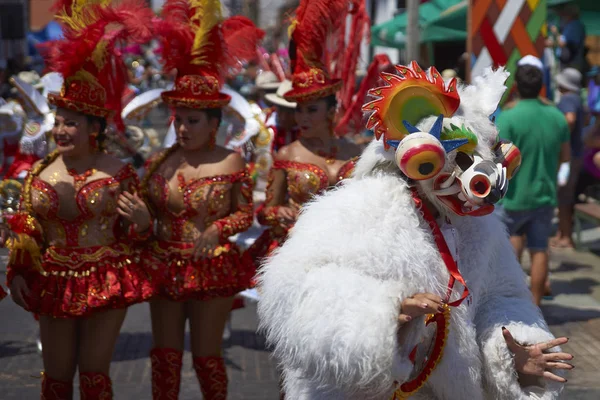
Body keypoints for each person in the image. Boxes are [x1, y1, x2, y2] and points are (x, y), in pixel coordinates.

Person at [258, 60, 573, 399]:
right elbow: (294, 287)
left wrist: (513, 354)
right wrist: (386, 313)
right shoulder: (357, 207)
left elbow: (501, 299)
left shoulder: (482, 227)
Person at [0, 1, 155, 398]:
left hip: (107, 274)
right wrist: (17, 268)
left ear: (93, 129)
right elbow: (28, 229)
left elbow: (137, 237)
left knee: (94, 373)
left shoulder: (118, 172)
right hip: (53, 276)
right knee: (55, 376)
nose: (61, 129)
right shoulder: (39, 171)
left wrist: (141, 221)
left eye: (72, 122)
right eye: (59, 120)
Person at [141, 1, 263, 398]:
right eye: (178, 118)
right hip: (164, 264)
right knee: (165, 356)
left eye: (193, 120)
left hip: (212, 269)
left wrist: (217, 227)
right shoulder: (161, 161)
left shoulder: (230, 161)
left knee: (207, 358)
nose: (182, 127)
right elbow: (140, 214)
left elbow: (246, 212)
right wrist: (140, 217)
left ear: (215, 122)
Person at [248, 0, 364, 263]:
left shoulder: (354, 151)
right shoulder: (287, 154)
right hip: (300, 253)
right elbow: (265, 212)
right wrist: (279, 214)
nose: (302, 117)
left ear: (330, 111)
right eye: (299, 110)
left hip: (348, 251)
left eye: (311, 110)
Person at [496, 59, 571, 306]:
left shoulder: (508, 117)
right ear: (541, 86)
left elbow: (498, 157)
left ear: (516, 85)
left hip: (514, 195)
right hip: (544, 193)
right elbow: (565, 157)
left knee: (512, 244)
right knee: (540, 249)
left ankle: (512, 302)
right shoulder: (556, 116)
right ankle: (536, 306)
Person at [553, 68, 584, 249]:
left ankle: (565, 237)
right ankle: (562, 234)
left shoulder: (568, 99)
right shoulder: (577, 99)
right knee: (565, 196)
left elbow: (569, 120)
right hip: (575, 155)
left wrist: (559, 138)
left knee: (563, 197)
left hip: (568, 157)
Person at [263, 80, 299, 152]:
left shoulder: (310, 134)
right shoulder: (268, 133)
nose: (283, 117)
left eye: (290, 112)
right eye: (280, 110)